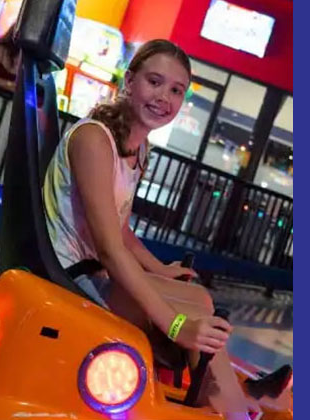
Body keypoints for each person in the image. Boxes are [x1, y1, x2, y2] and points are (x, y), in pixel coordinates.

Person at [43, 39, 286, 419]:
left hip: (92, 271)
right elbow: (109, 249)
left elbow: (120, 229)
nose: (164, 98)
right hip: (66, 276)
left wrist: (161, 270)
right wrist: (175, 326)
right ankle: (232, 403)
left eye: (176, 90)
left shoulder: (139, 148)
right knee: (188, 311)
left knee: (200, 299)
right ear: (130, 81)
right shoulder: (93, 139)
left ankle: (224, 393)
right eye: (154, 82)